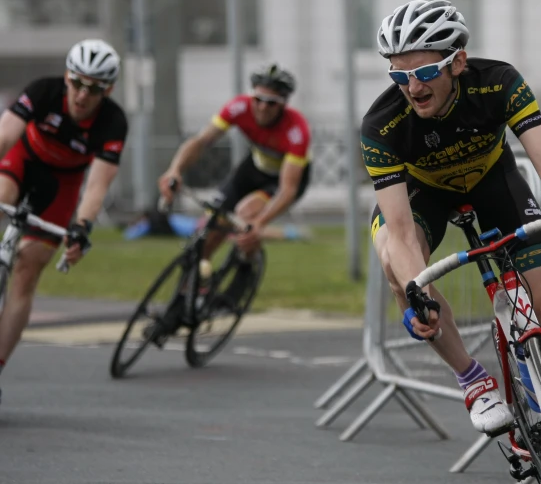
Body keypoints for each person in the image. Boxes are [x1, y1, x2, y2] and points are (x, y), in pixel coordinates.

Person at [362, 0, 541, 484]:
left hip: (495, 183)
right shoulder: (382, 125)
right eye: (399, 75)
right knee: (393, 256)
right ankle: (473, 379)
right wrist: (417, 294)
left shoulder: (499, 81)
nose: (413, 87)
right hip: (421, 194)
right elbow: (405, 232)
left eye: (426, 70)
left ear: (458, 60)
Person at [0, 39, 128, 404]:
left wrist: (83, 227)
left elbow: (97, 185)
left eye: (94, 89)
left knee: (28, 269)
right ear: (67, 77)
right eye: (77, 83)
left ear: (109, 91)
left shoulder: (113, 121)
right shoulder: (43, 90)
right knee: (2, 196)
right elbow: (6, 136)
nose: (82, 95)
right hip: (23, 160)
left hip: (63, 183)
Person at [157, 63, 311, 267]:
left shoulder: (296, 130)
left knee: (246, 215)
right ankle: (196, 281)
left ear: (283, 104)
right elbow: (200, 141)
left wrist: (260, 223)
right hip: (255, 167)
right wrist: (175, 169)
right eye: (258, 100)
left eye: (271, 103)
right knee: (212, 222)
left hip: (283, 179)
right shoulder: (239, 108)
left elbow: (288, 189)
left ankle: (247, 265)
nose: (263, 107)